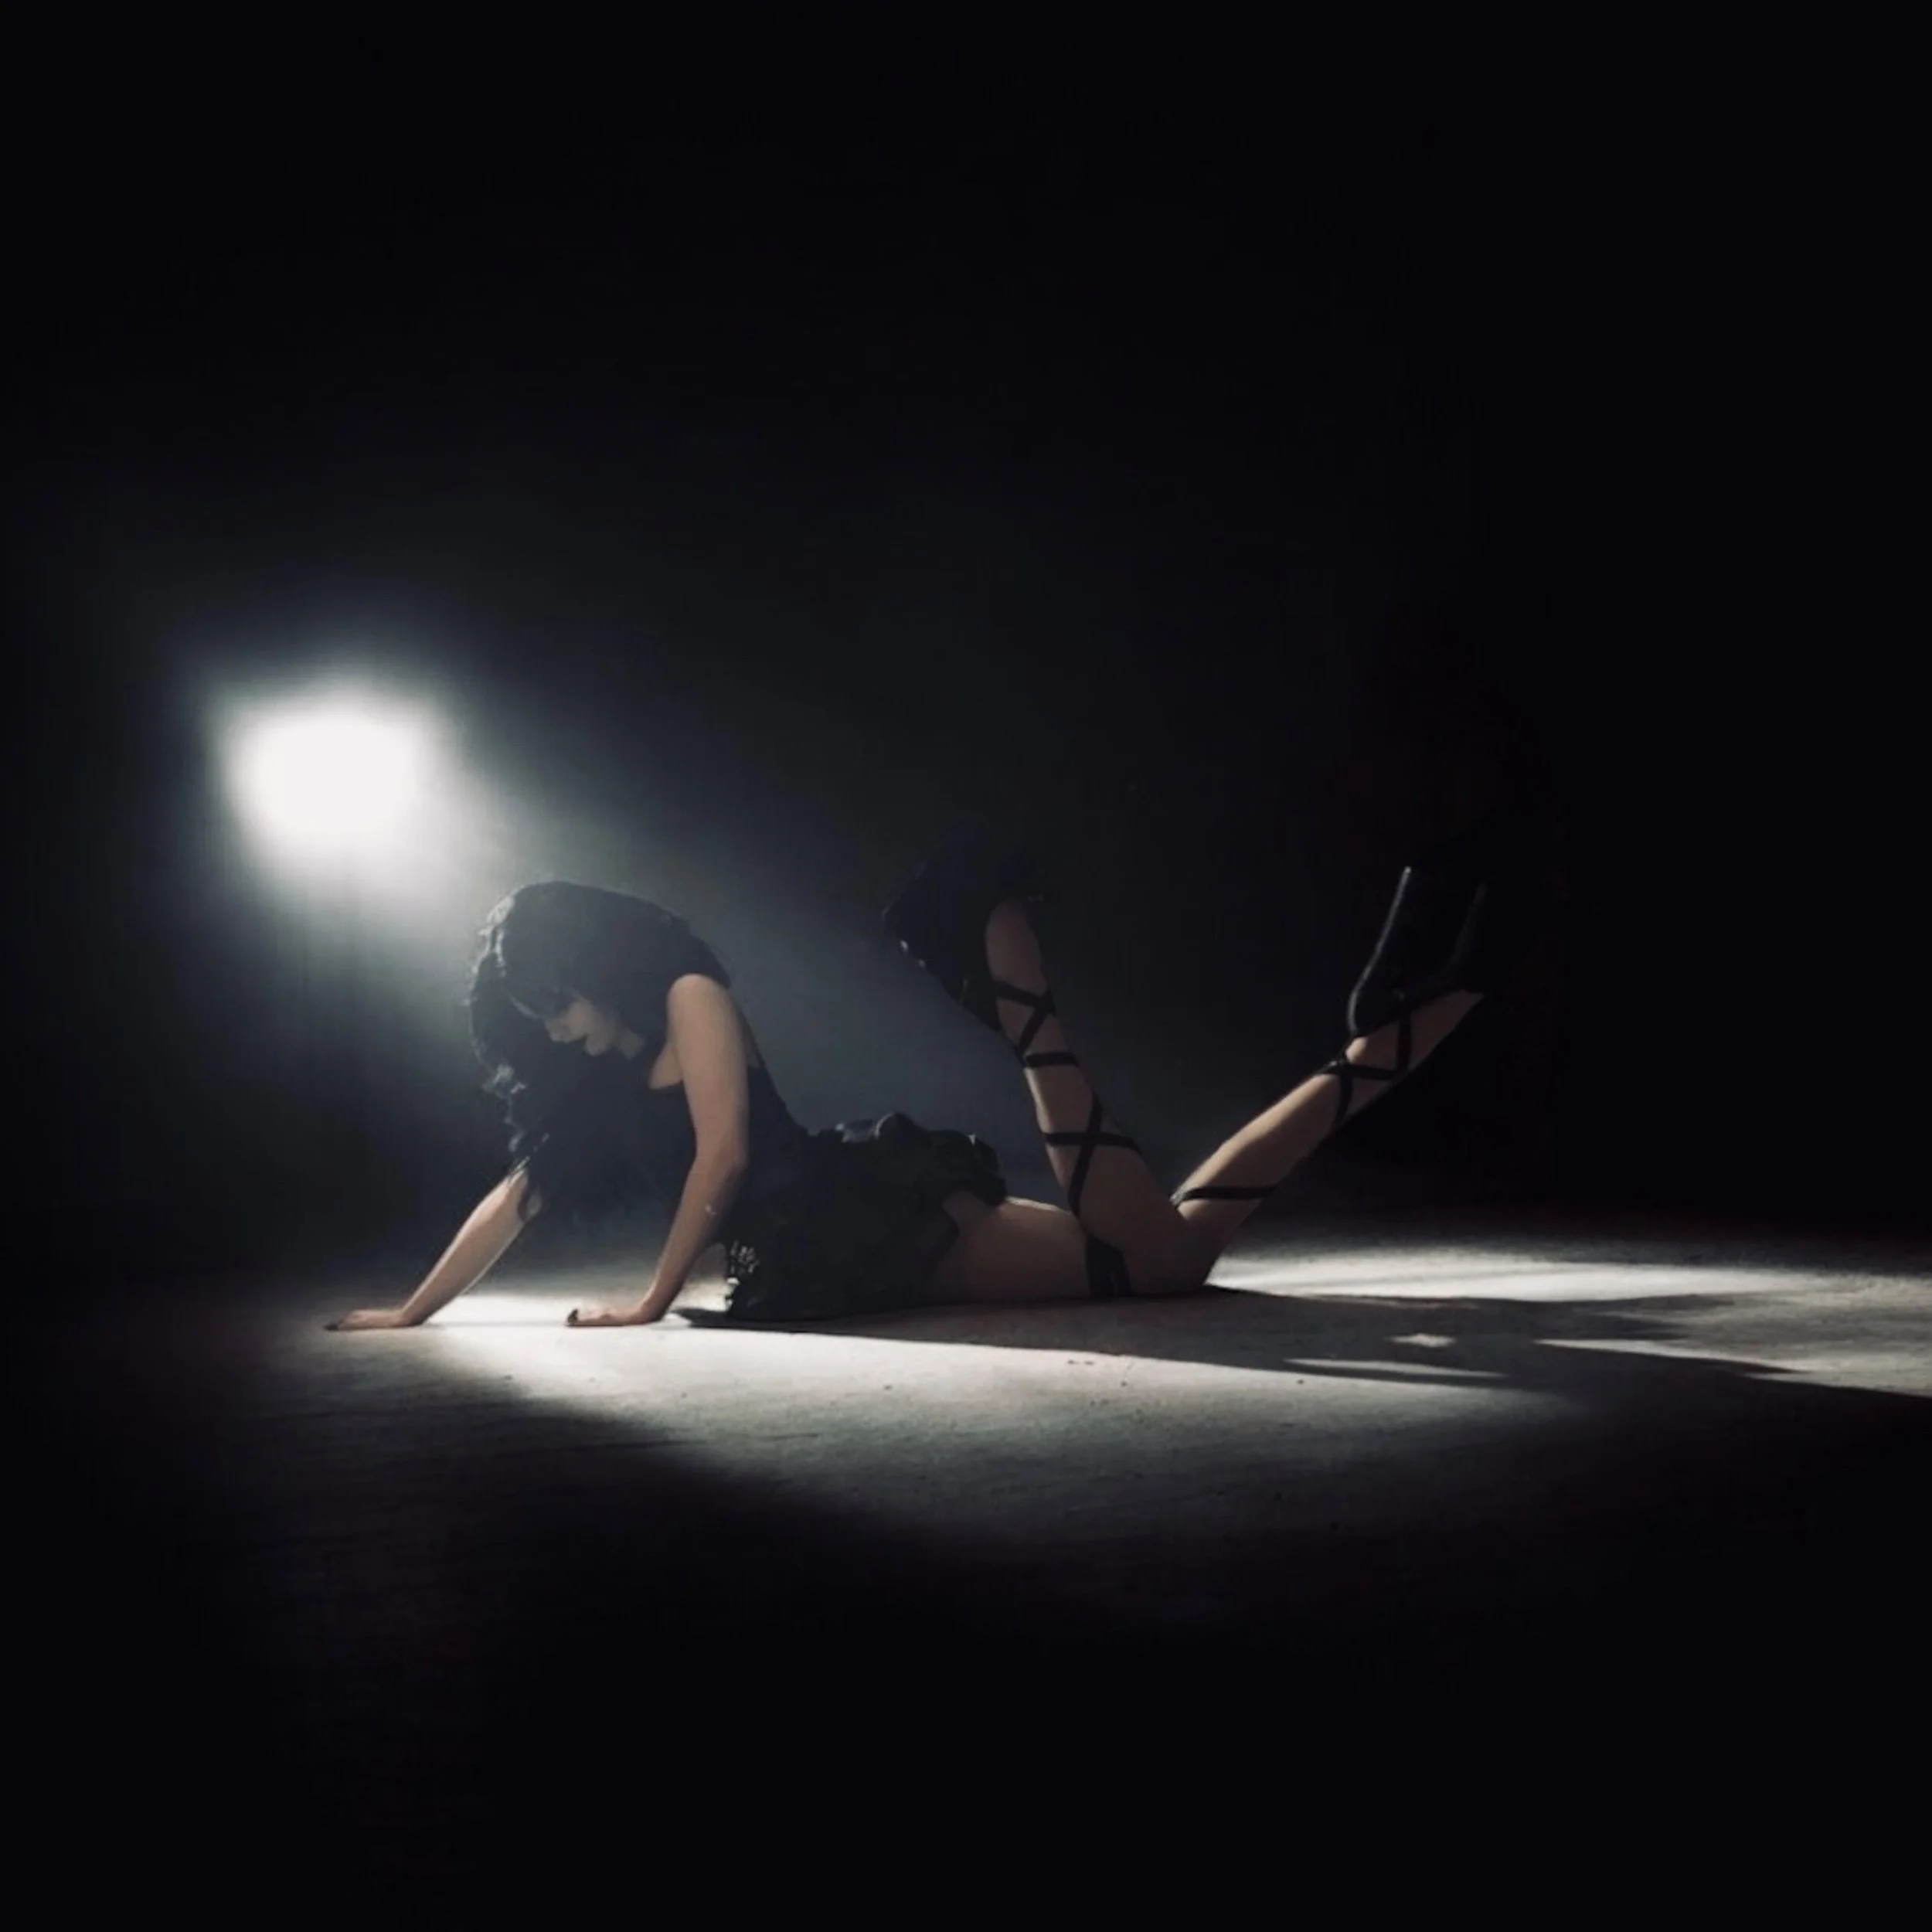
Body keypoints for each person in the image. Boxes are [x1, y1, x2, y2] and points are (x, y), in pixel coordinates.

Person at [331, 813, 1559, 1332]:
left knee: (1157, 1266)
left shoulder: (690, 998)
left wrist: (652, 1300)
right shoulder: (604, 1073)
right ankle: (1440, 995)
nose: (553, 1033)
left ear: (596, 964)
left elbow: (726, 1159)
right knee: (1170, 1243)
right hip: (836, 1237)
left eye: (555, 1003)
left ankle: (997, 951)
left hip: (856, 1221)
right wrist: (413, 1309)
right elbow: (517, 1196)